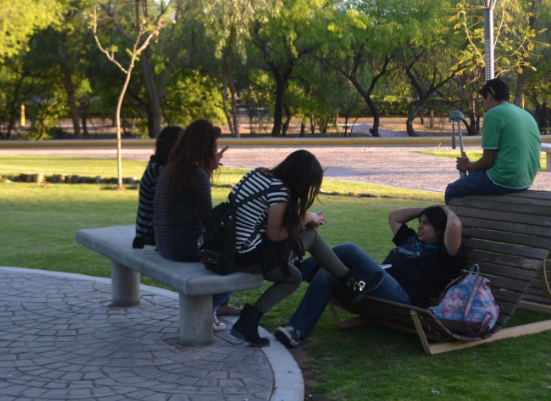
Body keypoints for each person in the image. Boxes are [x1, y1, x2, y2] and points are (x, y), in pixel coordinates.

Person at [228, 150, 384, 348]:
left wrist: (300, 220)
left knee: (294, 276)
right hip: (248, 255)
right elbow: (274, 234)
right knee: (310, 234)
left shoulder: (257, 173)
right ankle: (351, 283)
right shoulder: (279, 191)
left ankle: (247, 322)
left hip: (231, 249)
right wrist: (307, 218)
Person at [274, 204, 464, 347]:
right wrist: (427, 210)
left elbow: (454, 225)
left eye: (426, 224)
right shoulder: (411, 239)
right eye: (420, 223)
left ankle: (296, 269)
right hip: (372, 284)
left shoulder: (444, 253)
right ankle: (296, 331)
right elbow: (394, 217)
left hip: (403, 295)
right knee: (329, 271)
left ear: (440, 229)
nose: (420, 227)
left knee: (350, 250)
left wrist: (444, 210)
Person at [153, 119, 234, 328]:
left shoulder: (171, 168)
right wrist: (208, 171)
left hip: (165, 244)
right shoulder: (197, 174)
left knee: (231, 244)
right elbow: (209, 221)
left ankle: (220, 304)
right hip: (183, 247)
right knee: (239, 254)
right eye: (213, 146)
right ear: (206, 148)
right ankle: (211, 308)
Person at [446, 77, 541, 204]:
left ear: (489, 96)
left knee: (452, 190)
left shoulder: (493, 114)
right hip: (526, 180)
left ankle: (456, 224)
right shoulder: (525, 114)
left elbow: (487, 162)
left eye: (483, 100)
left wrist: (468, 165)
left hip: (503, 180)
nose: (484, 106)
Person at [133, 125, 183, 251]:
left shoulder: (159, 167)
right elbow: (179, 205)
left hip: (151, 234)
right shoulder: (159, 171)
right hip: (149, 238)